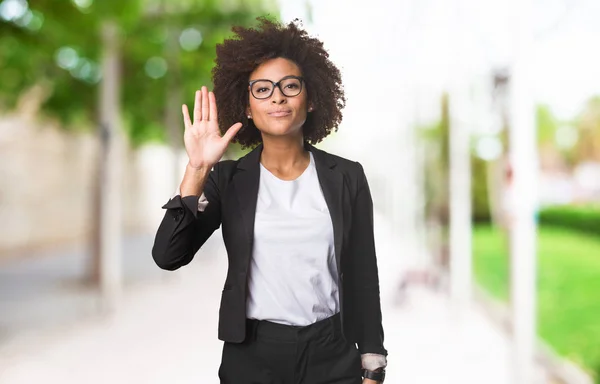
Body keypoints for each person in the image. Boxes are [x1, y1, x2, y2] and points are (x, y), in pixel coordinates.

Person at [152, 17, 387, 384]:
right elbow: (168, 256)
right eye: (262, 89)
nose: (277, 96)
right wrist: (197, 169)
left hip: (331, 349)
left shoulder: (347, 176)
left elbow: (361, 270)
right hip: (253, 355)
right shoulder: (227, 180)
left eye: (289, 86)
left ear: (310, 99)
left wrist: (373, 359)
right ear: (246, 106)